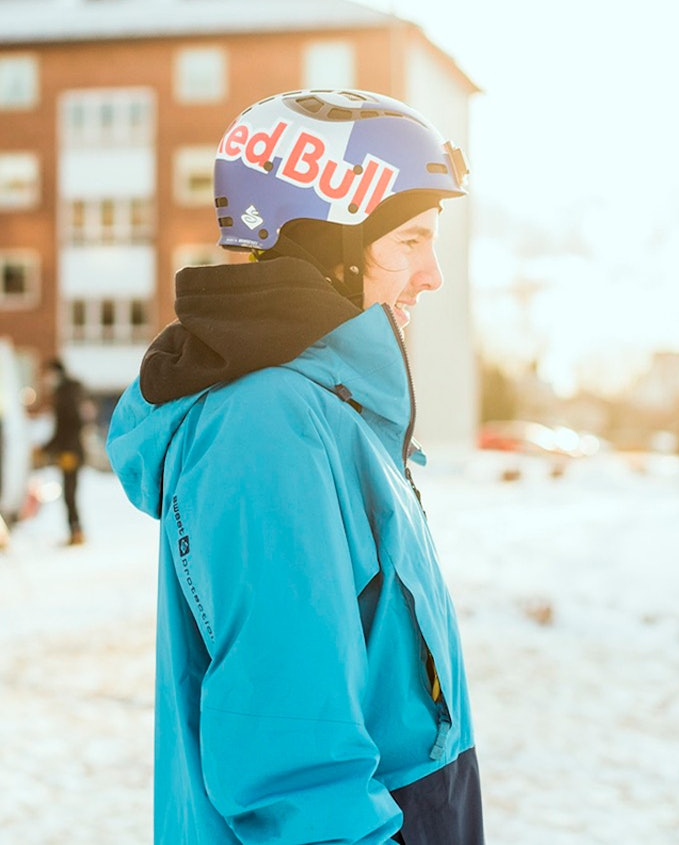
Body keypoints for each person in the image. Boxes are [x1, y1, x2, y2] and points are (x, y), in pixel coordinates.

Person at [106, 89, 482, 843]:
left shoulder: (332, 408)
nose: (433, 274)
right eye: (409, 241)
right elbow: (288, 753)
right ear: (331, 247)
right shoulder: (267, 425)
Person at [43, 358, 88, 546]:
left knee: (69, 494)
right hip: (71, 450)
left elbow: (67, 426)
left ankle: (76, 531)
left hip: (71, 452)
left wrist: (53, 447)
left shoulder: (65, 395)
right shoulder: (70, 393)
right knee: (69, 494)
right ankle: (75, 531)